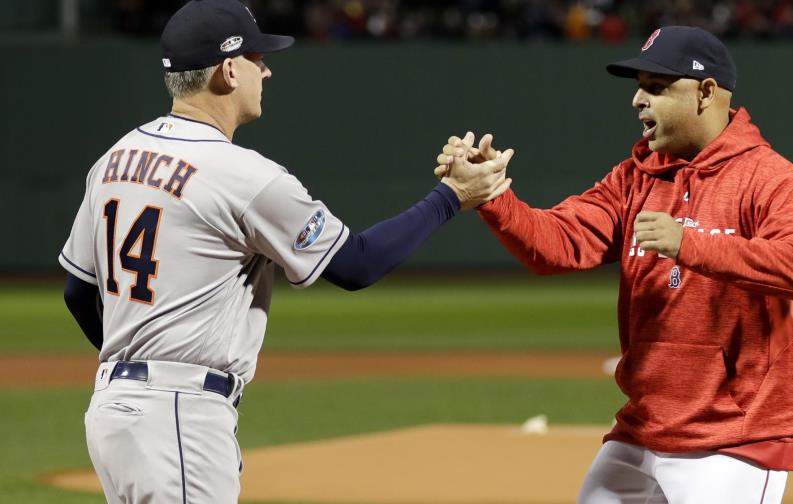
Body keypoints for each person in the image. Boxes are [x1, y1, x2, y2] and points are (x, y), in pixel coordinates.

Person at [58, 0, 512, 502]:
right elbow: (356, 264)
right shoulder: (243, 175)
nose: (267, 70)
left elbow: (79, 292)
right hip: (179, 416)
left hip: (111, 413)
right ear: (229, 70)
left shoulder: (113, 160)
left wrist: (133, 369)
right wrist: (450, 198)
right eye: (257, 58)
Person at [436, 26, 793, 504]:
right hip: (642, 428)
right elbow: (558, 244)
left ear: (705, 92)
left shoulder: (768, 178)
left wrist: (692, 244)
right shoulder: (634, 178)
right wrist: (494, 199)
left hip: (733, 440)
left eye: (656, 87)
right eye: (639, 86)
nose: (637, 100)